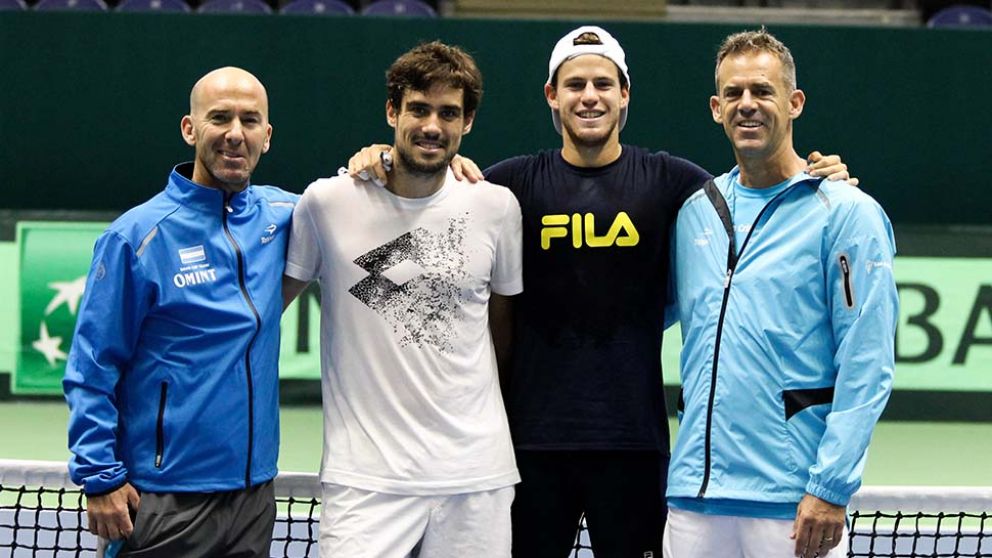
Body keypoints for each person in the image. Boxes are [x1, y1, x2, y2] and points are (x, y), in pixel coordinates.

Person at [347, 26, 853, 558]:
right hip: (527, 450)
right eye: (575, 84)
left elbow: (756, 190)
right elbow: (416, 212)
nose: (590, 96)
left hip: (635, 450)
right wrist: (382, 161)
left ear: (625, 93)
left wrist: (820, 176)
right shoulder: (505, 187)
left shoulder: (675, 184)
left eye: (604, 84)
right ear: (552, 95)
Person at [281, 41, 523, 558]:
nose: (432, 126)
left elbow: (501, 331)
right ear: (393, 111)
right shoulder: (328, 203)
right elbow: (267, 306)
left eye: (448, 113)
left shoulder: (495, 207)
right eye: (418, 108)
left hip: (474, 478)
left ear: (468, 123)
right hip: (364, 482)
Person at [664, 29, 898, 558]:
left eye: (762, 92)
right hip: (694, 501)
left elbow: (867, 360)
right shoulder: (695, 211)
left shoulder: (847, 214)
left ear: (794, 103)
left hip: (793, 505)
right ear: (715, 108)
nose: (747, 105)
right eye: (734, 94)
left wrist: (830, 485)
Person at [63, 66, 297, 557]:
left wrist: (410, 163)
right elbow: (92, 366)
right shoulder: (137, 236)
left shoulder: (286, 215)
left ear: (267, 136)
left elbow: (366, 205)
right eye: (220, 118)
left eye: (250, 121)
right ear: (190, 129)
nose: (236, 134)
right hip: (165, 502)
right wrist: (100, 477)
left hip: (254, 499)